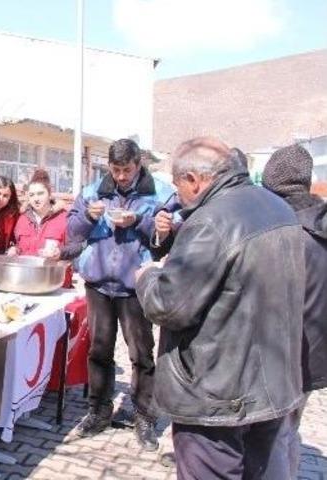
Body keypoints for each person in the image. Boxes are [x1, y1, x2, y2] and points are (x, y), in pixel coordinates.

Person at [135, 137, 306, 478]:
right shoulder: (278, 208)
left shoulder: (210, 222)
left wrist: (148, 276)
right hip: (270, 387)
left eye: (177, 184)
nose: (177, 195)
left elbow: (169, 306)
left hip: (216, 396)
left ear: (194, 180)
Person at [67, 138, 169, 451]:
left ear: (139, 164)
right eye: (116, 169)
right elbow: (73, 229)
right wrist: (90, 216)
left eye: (127, 169)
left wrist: (139, 220)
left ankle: (144, 416)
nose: (122, 176)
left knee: (141, 354)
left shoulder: (160, 192)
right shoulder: (92, 190)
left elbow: (168, 236)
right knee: (98, 350)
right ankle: (98, 410)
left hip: (134, 285)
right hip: (98, 282)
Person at [261, 143, 327, 478]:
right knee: (289, 431)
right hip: (314, 353)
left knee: (274, 439)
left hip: (283, 356)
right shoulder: (319, 220)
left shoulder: (284, 232)